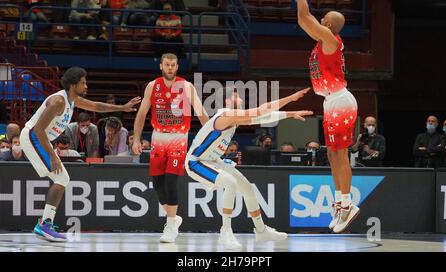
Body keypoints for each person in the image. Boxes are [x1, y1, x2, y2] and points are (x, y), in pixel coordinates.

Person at [19, 67, 140, 242]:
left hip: (41, 138)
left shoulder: (72, 100)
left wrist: (122, 107)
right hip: (33, 137)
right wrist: (52, 155)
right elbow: (38, 130)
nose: (86, 85)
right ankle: (44, 224)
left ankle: (45, 223)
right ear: (73, 84)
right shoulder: (58, 101)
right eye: (83, 82)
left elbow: (96, 106)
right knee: (61, 178)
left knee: (62, 178)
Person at [185, 87, 312, 249]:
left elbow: (263, 117)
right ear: (228, 101)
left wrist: (289, 114)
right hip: (196, 162)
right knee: (230, 182)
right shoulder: (226, 115)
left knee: (247, 188)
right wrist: (290, 98)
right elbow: (261, 110)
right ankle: (225, 232)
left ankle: (261, 230)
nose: (242, 101)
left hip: (213, 160)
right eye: (238, 98)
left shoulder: (234, 119)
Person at [293, 0, 359, 233]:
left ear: (329, 25)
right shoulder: (322, 42)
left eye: (324, 18)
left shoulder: (330, 38)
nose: (319, 19)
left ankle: (347, 204)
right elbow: (303, 20)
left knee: (339, 154)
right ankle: (340, 203)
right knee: (332, 155)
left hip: (341, 100)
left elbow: (303, 15)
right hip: (330, 101)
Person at [132, 53, 209, 244]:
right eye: (167, 65)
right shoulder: (152, 86)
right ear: (161, 66)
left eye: (173, 65)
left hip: (178, 138)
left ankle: (170, 224)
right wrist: (136, 139)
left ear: (177, 67)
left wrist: (210, 141)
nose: (170, 68)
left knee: (171, 180)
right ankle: (174, 218)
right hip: (158, 137)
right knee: (157, 183)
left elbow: (201, 114)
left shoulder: (186, 86)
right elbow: (141, 114)